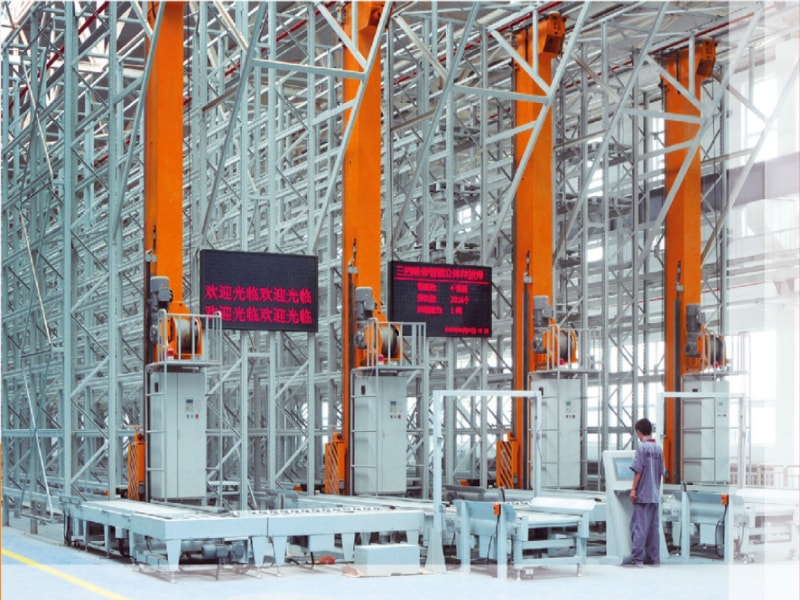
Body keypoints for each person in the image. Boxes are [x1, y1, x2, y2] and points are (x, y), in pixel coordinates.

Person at [626, 418, 664, 567]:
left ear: (639, 432)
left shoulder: (642, 448)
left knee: (639, 528)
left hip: (643, 494)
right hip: (654, 495)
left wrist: (633, 489)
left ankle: (637, 559)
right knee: (653, 529)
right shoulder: (658, 449)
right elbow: (661, 472)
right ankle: (654, 559)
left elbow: (638, 470)